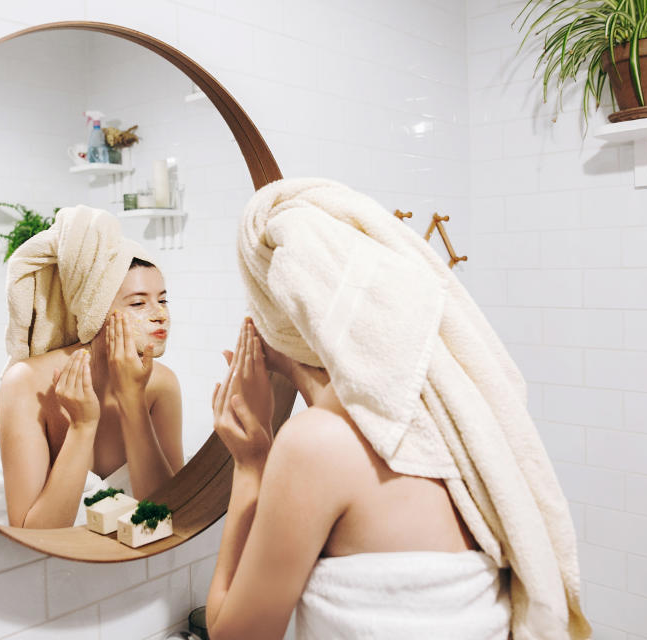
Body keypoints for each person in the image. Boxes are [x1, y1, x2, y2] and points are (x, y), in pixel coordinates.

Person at [205, 177, 588, 640]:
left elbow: (235, 636)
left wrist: (250, 465)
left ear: (273, 317)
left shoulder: (316, 445)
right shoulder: (453, 425)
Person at [0, 206, 183, 529]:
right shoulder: (27, 382)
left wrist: (132, 402)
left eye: (163, 300)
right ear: (94, 311)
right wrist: (82, 427)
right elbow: (35, 534)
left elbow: (168, 514)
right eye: (138, 303)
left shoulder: (161, 384)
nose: (159, 315)